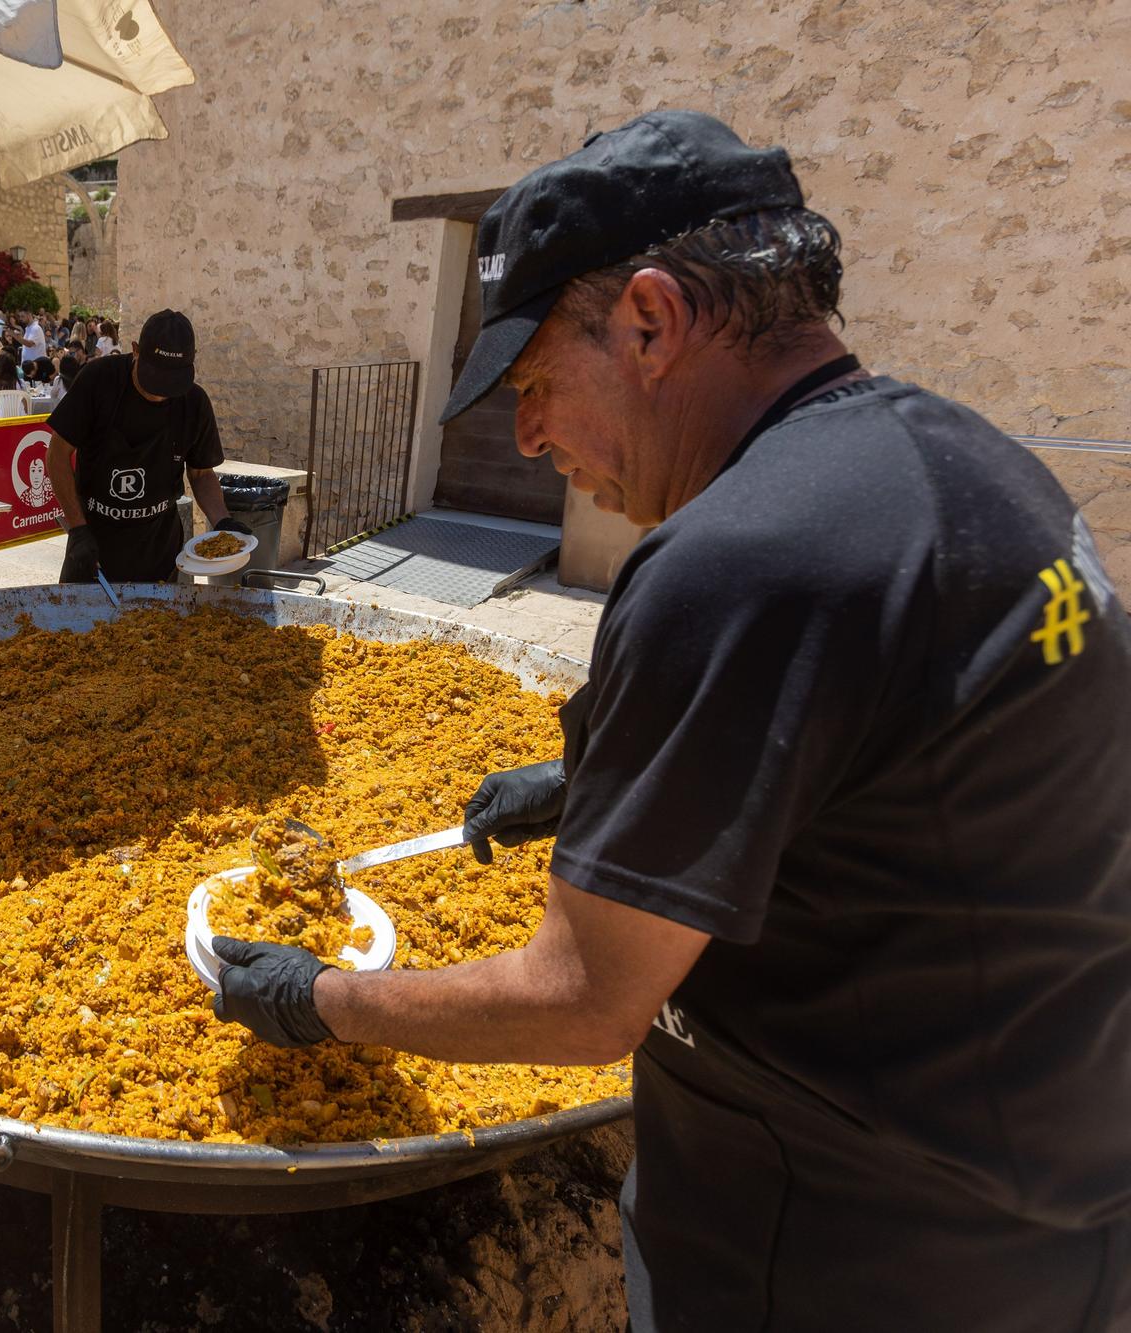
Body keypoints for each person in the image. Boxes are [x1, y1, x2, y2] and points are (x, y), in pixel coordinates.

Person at [209, 110, 1131, 1333]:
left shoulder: (739, 561)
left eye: (534, 384)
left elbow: (582, 1000)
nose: (529, 437)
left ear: (649, 320)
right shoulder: (962, 459)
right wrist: (599, 777)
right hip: (1037, 1205)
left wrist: (320, 997)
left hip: (838, 1248)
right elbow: (877, 760)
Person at [45, 309, 247, 584]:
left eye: (170, 383)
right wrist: (78, 530)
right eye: (155, 378)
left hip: (160, 552)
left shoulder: (194, 403)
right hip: (93, 548)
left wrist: (223, 522)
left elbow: (201, 474)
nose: (160, 392)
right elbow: (57, 454)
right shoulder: (98, 380)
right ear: (136, 350)